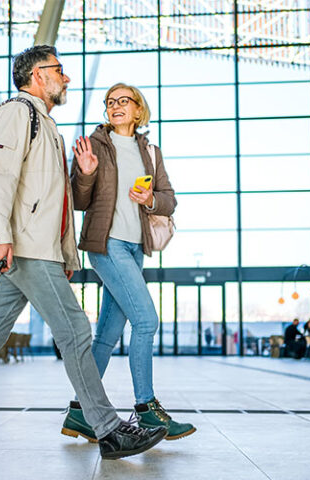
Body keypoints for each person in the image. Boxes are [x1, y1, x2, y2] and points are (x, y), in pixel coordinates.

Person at [0, 45, 167, 460]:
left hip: (35, 247)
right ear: (36, 76)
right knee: (77, 333)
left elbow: (53, 200)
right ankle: (108, 429)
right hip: (25, 247)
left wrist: (66, 250)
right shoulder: (18, 113)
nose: (66, 78)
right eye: (59, 71)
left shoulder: (45, 124)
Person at [63, 83, 195, 442]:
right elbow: (77, 199)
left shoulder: (150, 150)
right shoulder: (94, 145)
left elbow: (169, 200)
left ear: (138, 110)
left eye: (124, 100)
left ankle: (79, 414)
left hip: (136, 248)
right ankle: (147, 411)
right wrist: (85, 172)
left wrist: (151, 198)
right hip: (106, 245)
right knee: (147, 321)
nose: (116, 106)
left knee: (106, 336)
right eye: (110, 102)